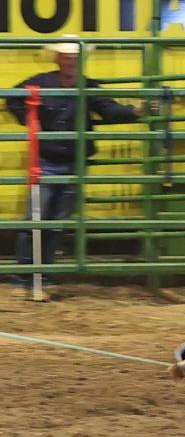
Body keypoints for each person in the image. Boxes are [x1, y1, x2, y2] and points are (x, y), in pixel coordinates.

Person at [6, 38, 146, 287]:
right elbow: (13, 99)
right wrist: (29, 118)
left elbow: (110, 110)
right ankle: (24, 277)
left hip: (69, 165)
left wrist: (134, 111)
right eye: (67, 57)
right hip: (47, 163)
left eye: (74, 57)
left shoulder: (82, 86)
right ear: (59, 59)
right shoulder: (43, 82)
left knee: (54, 225)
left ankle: (42, 277)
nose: (71, 61)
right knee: (34, 222)